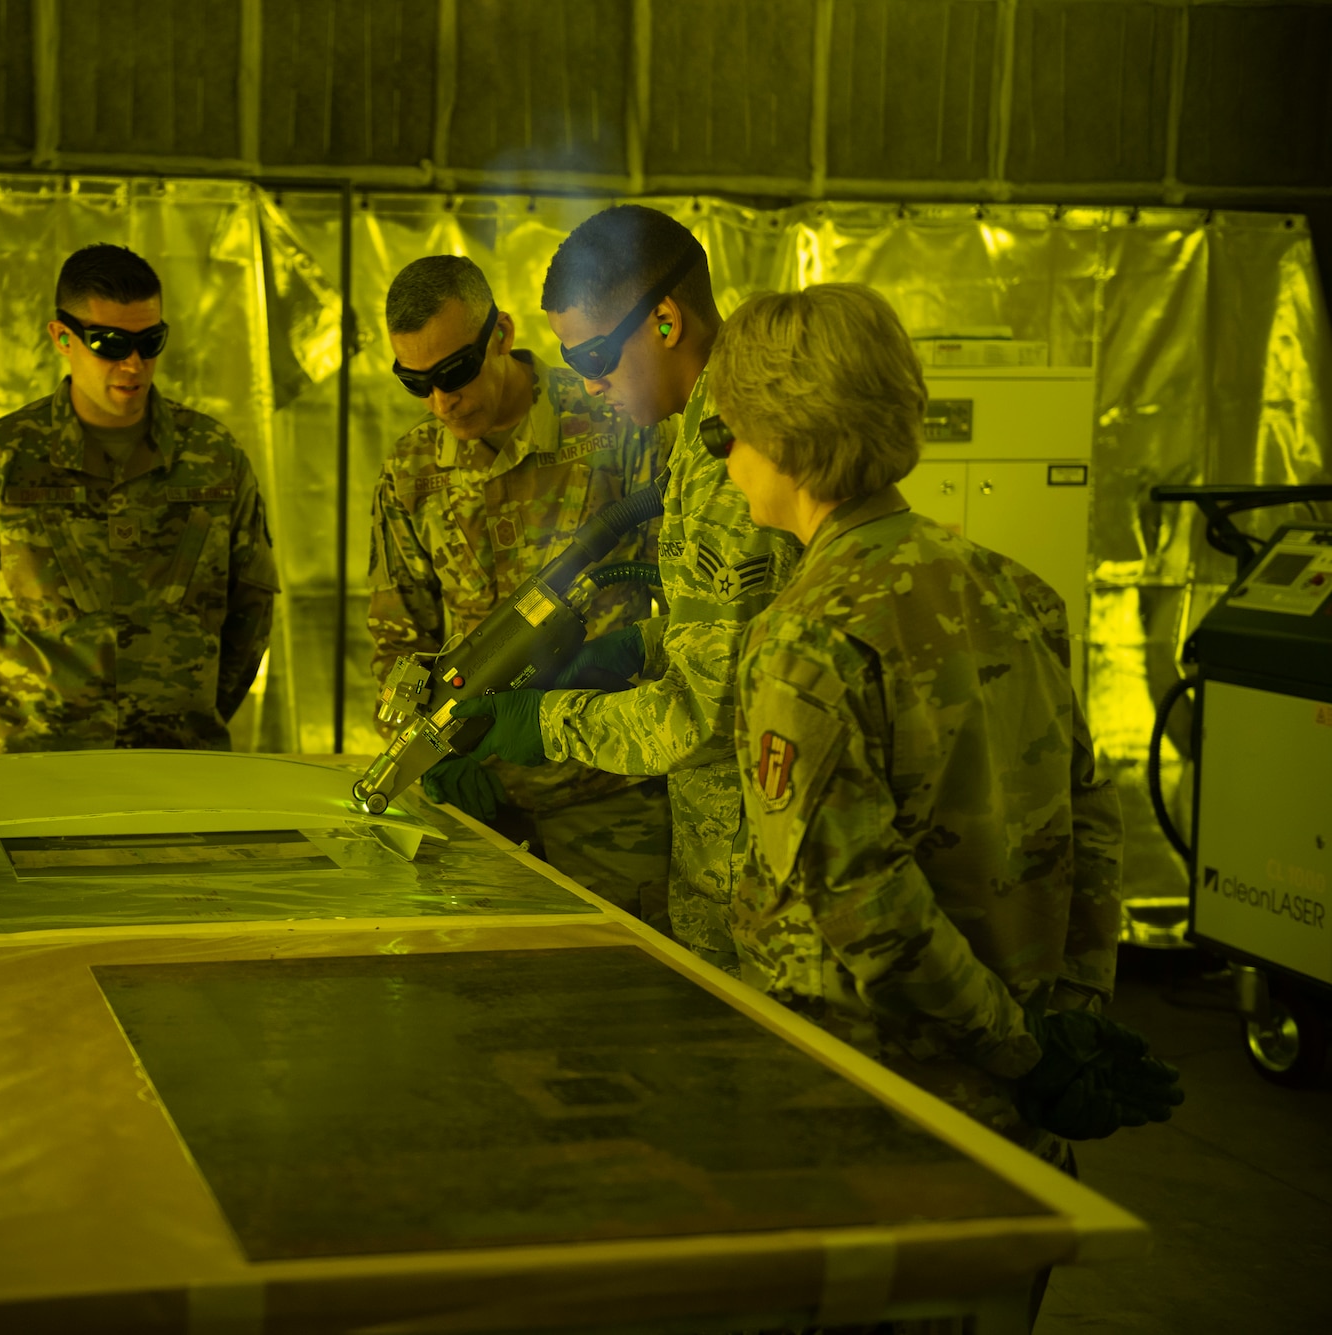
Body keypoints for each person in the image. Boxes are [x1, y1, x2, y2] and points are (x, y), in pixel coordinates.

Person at [708, 283, 1179, 1169]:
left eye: (726, 431)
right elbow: (1092, 820)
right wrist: (1066, 1026)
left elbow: (866, 905)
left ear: (786, 436)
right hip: (1021, 1114)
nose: (725, 459)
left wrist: (1019, 1050)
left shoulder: (808, 632)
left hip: (879, 1112)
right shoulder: (1013, 586)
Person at [452, 207, 799, 969]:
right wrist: (637, 646)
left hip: (763, 892)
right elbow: (742, 636)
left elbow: (702, 718)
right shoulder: (706, 431)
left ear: (666, 322)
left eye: (597, 356)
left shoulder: (732, 460)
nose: (592, 382)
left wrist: (545, 723)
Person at [367, 256, 669, 914]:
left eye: (455, 372)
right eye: (416, 382)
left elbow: (686, 601)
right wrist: (425, 751)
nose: (441, 401)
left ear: (500, 334)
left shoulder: (612, 421)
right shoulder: (414, 468)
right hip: (477, 811)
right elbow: (398, 636)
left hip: (608, 800)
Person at [0, 244, 280, 753]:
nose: (134, 363)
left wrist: (191, 711)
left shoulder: (213, 458)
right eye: (110, 343)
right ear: (62, 338)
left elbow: (250, 608)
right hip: (36, 767)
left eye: (151, 341)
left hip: (178, 762)